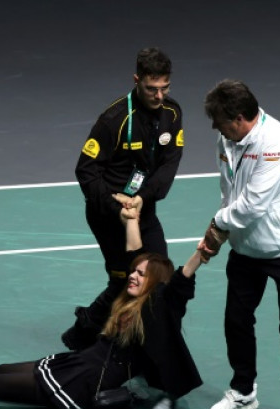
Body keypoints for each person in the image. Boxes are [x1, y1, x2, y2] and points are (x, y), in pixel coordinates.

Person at [0, 199, 203, 409]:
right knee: (0, 371)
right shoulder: (130, 302)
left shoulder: (158, 310)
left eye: (141, 275)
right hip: (77, 364)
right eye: (134, 272)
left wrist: (202, 253)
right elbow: (133, 253)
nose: (133, 276)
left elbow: (180, 285)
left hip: (83, 382)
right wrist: (132, 221)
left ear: (155, 283)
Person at [199, 79, 280, 409]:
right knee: (236, 320)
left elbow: (252, 205)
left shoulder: (276, 143)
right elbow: (229, 190)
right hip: (246, 249)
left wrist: (217, 224)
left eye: (219, 121)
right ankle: (243, 391)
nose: (215, 128)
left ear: (238, 118)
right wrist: (222, 234)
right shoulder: (227, 139)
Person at [61, 47, 184, 352]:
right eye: (151, 89)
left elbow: (169, 163)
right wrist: (117, 207)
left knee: (159, 276)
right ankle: (82, 333)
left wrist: (142, 198)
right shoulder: (114, 119)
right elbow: (86, 171)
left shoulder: (172, 113)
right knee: (122, 281)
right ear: (136, 80)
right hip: (108, 214)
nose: (159, 96)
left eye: (165, 88)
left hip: (144, 208)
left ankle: (150, 345)